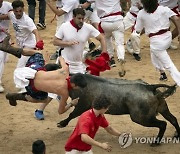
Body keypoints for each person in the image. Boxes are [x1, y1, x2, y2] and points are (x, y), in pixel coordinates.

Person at [34, 7, 107, 120]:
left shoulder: (87, 28)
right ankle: (40, 110)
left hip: (78, 64)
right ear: (73, 17)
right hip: (65, 63)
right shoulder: (65, 26)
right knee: (57, 89)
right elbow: (55, 41)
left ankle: (89, 112)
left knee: (84, 88)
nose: (81, 21)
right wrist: (67, 43)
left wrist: (104, 54)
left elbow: (101, 38)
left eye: (83, 18)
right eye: (79, 18)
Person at [0, 37, 87, 114]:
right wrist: (71, 104)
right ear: (75, 85)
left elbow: (61, 57)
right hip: (32, 87)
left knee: (40, 54)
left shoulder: (65, 71)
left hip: (31, 71)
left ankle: (11, 49)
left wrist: (59, 60)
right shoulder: (64, 93)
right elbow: (60, 111)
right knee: (44, 99)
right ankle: (15, 96)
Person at [0, 0, 44, 92]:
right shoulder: (11, 14)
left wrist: (39, 42)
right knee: (27, 67)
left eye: (20, 11)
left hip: (29, 45)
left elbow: (35, 31)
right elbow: (4, 17)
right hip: (21, 45)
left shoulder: (27, 20)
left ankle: (24, 88)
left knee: (19, 68)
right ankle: (31, 85)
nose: (18, 13)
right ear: (13, 10)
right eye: (16, 11)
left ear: (23, 9)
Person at [135, 0, 180, 84]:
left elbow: (138, 30)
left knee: (169, 65)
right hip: (168, 37)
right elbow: (176, 18)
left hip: (157, 42)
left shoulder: (141, 13)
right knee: (153, 53)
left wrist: (141, 13)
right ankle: (162, 74)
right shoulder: (164, 9)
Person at [82, 0, 126, 76]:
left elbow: (85, 5)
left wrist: (77, 6)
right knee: (120, 43)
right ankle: (121, 57)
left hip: (105, 21)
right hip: (118, 20)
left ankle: (111, 58)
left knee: (107, 40)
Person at [0, 0, 12, 92]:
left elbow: (18, 13)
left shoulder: (8, 5)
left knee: (3, 60)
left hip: (4, 38)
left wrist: (4, 16)